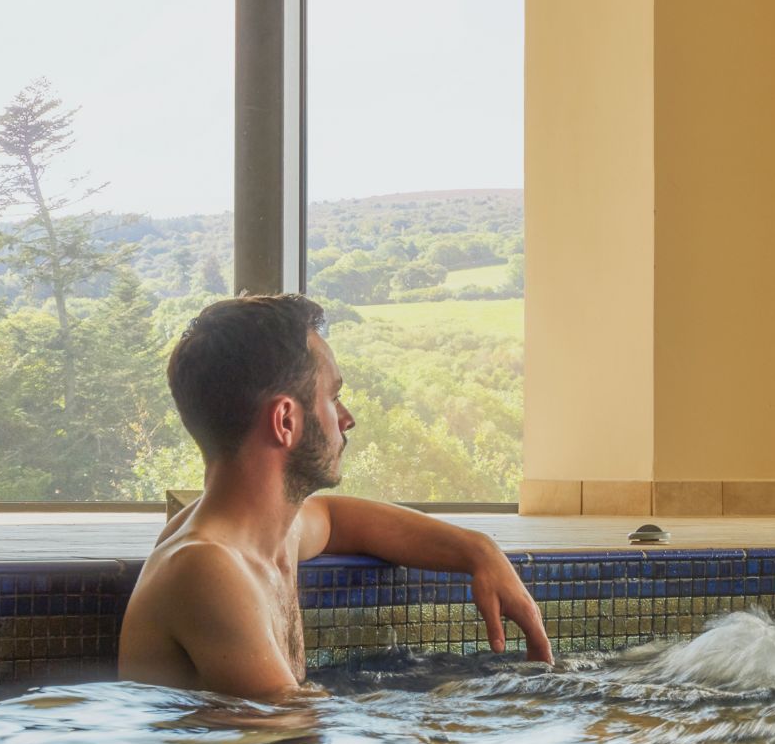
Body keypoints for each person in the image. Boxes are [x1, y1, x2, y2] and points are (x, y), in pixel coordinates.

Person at [119, 293, 552, 697]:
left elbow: (339, 519)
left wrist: (480, 551)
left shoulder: (263, 533)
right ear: (285, 421)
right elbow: (290, 736)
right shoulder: (206, 568)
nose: (347, 419)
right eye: (334, 397)